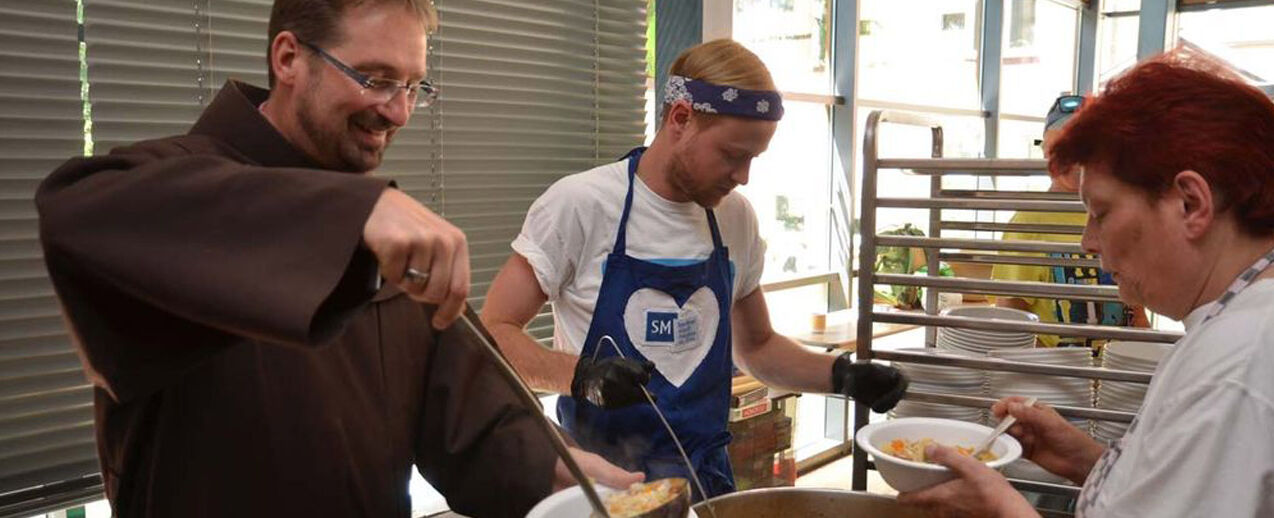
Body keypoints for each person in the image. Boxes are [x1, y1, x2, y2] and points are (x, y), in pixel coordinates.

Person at [35, 1, 638, 516]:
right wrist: (352, 214)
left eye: (413, 86)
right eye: (375, 78)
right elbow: (74, 213)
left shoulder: (386, 239)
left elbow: (475, 424)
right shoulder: (166, 185)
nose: (399, 112)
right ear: (288, 59)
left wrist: (565, 478)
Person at [479, 39, 908, 499]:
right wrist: (580, 376)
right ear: (680, 119)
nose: (743, 175)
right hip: (601, 485)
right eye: (731, 154)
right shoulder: (580, 205)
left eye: (753, 159)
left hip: (704, 482)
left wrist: (843, 375)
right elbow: (494, 332)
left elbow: (758, 348)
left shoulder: (734, 217)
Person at [898, 51, 1274, 517]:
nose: (1088, 241)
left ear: (1190, 204)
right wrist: (1085, 460)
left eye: (1101, 212)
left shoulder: (1235, 364)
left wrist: (1001, 510)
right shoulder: (1239, 327)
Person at [991, 94, 1150, 349]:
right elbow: (1010, 317)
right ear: (1048, 154)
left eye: (1087, 149)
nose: (1077, 160)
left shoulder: (1119, 213)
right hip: (1056, 377)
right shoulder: (1028, 223)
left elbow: (1137, 312)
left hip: (1116, 373)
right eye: (1065, 149)